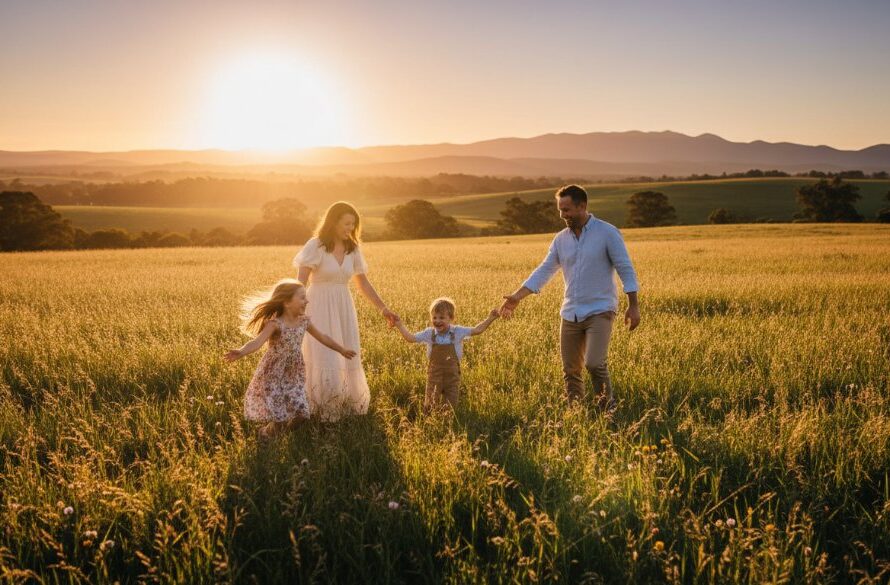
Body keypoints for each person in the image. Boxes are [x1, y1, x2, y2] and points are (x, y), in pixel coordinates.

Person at [500, 184, 640, 411]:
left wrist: (633, 306)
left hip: (600, 310)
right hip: (570, 312)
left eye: (566, 210)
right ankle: (575, 412)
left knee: (594, 363)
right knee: (571, 370)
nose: (562, 215)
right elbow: (544, 270)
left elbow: (626, 269)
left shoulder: (607, 233)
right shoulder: (560, 239)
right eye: (560, 210)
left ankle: (608, 410)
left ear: (582, 206)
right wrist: (517, 296)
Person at [293, 202, 398, 421]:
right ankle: (319, 409)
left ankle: (344, 406)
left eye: (353, 224)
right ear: (333, 222)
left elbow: (363, 284)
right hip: (318, 305)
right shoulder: (316, 246)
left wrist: (383, 308)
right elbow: (300, 281)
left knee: (346, 352)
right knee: (324, 354)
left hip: (343, 307)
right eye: (346, 223)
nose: (350, 228)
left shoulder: (353, 249)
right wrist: (296, 310)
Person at [225, 279, 356, 439]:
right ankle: (266, 434)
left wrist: (341, 349)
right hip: (273, 373)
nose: (307, 301)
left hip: (293, 373)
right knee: (279, 418)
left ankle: (278, 434)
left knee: (302, 413)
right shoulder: (275, 324)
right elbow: (256, 342)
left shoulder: (304, 321)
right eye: (302, 297)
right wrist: (241, 351)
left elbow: (323, 337)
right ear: (287, 302)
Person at [393, 297, 499, 412]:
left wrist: (490, 318)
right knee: (430, 403)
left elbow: (477, 330)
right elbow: (411, 338)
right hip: (434, 374)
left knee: (451, 404)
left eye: (442, 317)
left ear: (451, 318)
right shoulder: (429, 333)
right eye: (434, 317)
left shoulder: (458, 331)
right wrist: (400, 325)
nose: (437, 321)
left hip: (452, 375)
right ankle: (430, 422)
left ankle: (448, 423)